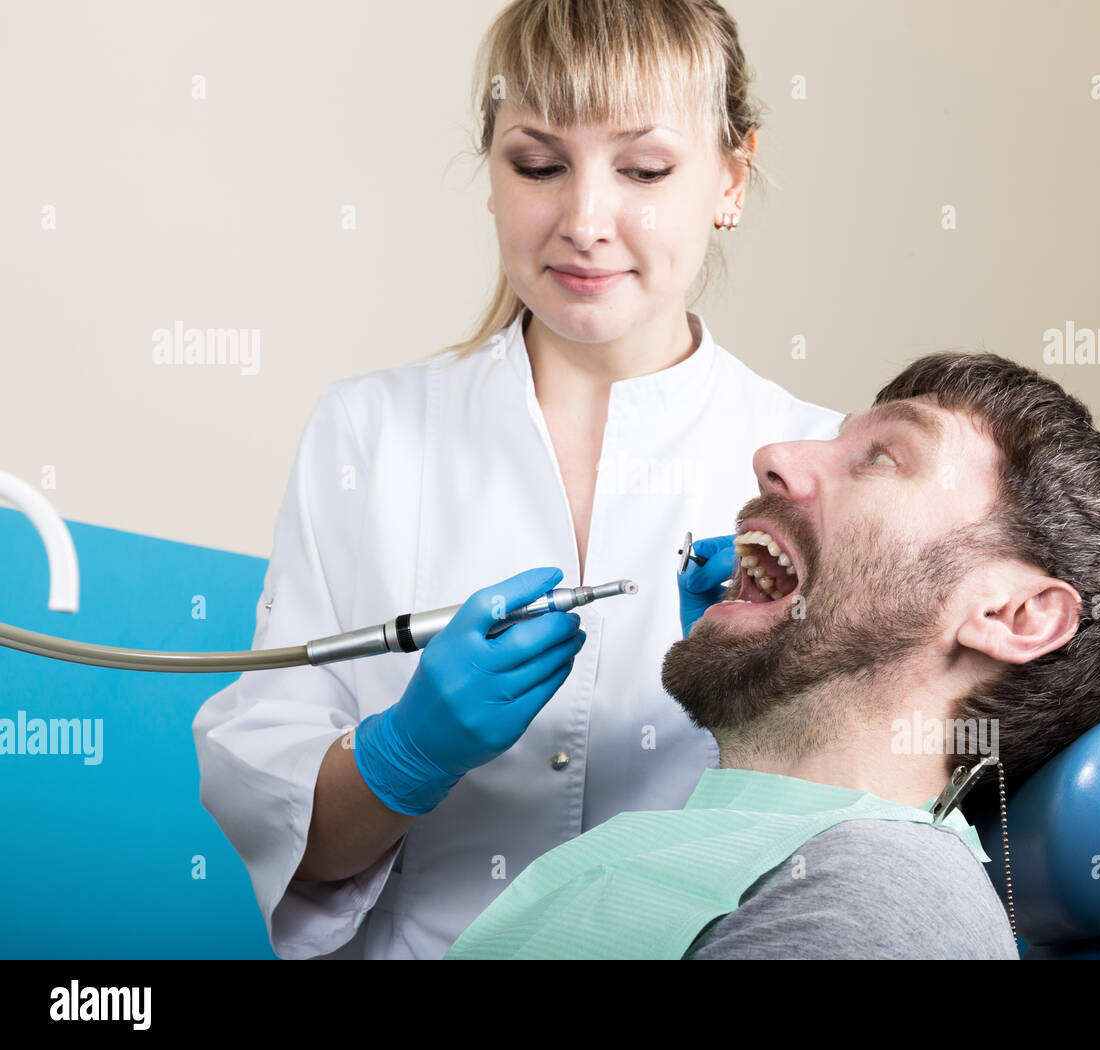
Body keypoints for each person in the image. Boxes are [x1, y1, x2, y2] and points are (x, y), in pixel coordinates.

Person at [190, 0, 844, 960]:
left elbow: (855, 839)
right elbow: (291, 838)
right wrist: (408, 755)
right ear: (491, 174)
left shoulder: (814, 460)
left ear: (730, 178)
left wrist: (756, 706)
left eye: (645, 169)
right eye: (538, 165)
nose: (584, 221)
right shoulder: (369, 435)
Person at [443, 351, 1100, 959]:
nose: (772, 456)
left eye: (882, 458)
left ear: (1012, 615)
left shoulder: (884, 900)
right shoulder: (750, 853)